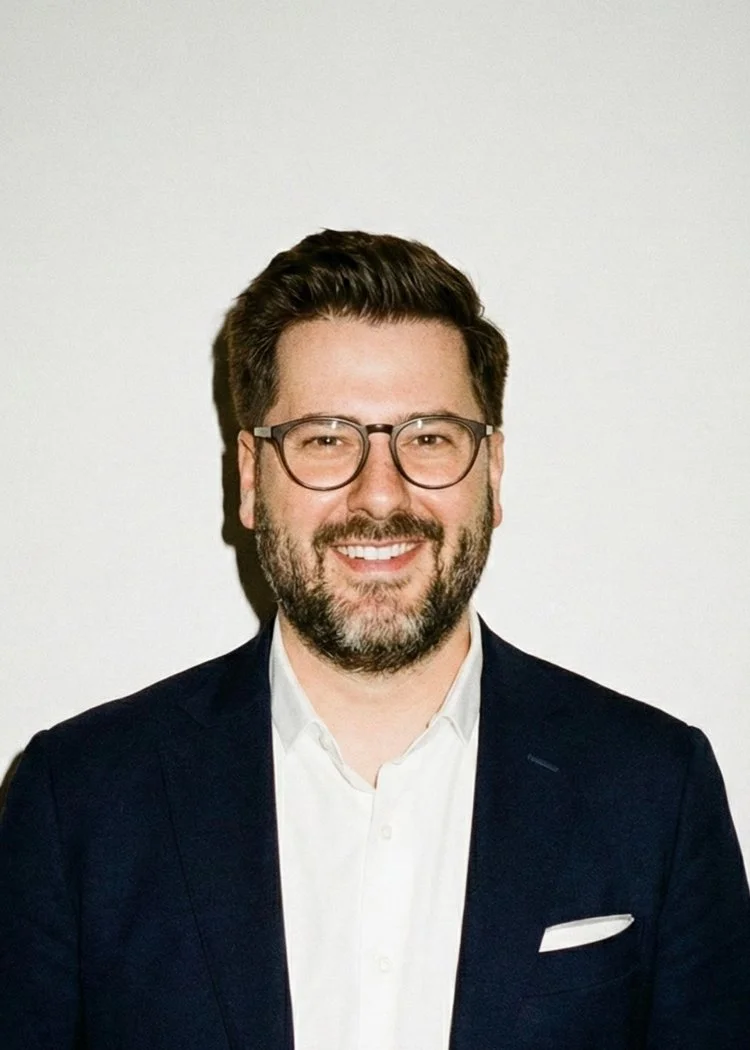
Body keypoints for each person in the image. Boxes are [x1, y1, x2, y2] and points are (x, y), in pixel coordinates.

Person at [1, 229, 748, 1050]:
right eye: (326, 438)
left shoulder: (656, 790)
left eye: (429, 437)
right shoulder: (76, 802)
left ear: (493, 472)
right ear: (250, 478)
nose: (381, 495)